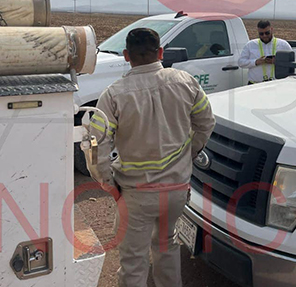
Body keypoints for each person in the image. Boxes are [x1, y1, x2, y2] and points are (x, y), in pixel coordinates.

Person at [84, 28, 215, 287]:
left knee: (133, 262)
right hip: (176, 191)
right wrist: (188, 155)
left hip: (135, 194)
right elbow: (206, 123)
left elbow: (96, 146)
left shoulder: (113, 94)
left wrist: (107, 183)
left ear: (125, 55)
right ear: (161, 52)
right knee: (167, 247)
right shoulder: (185, 82)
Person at [238, 19, 293, 84]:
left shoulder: (283, 45)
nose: (264, 36)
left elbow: (292, 64)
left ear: (271, 29)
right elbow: (241, 62)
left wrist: (277, 62)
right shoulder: (250, 45)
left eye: (267, 33)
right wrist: (256, 62)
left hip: (276, 85)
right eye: (261, 34)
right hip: (255, 85)